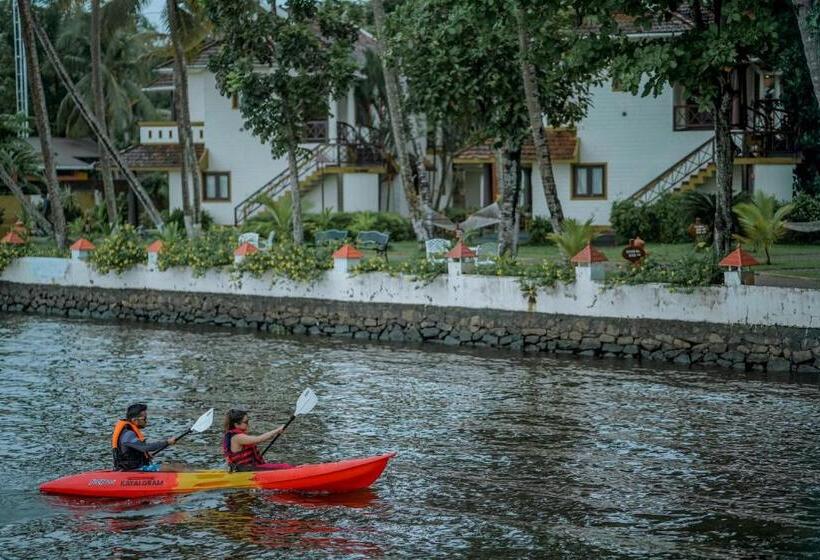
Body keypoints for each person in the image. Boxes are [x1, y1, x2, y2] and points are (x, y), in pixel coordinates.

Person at [111, 403, 179, 472]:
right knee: (175, 468)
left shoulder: (129, 432)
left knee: (175, 465)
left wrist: (145, 455)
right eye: (144, 419)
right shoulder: (128, 434)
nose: (146, 421)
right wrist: (167, 442)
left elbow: (136, 449)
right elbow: (145, 447)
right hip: (133, 470)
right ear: (134, 420)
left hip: (135, 468)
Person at [223, 409, 293, 472]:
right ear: (236, 424)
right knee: (286, 467)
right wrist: (277, 430)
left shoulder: (232, 435)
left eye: (248, 421)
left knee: (283, 465)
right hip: (247, 469)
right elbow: (259, 439)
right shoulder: (238, 437)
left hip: (246, 467)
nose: (248, 424)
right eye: (246, 422)